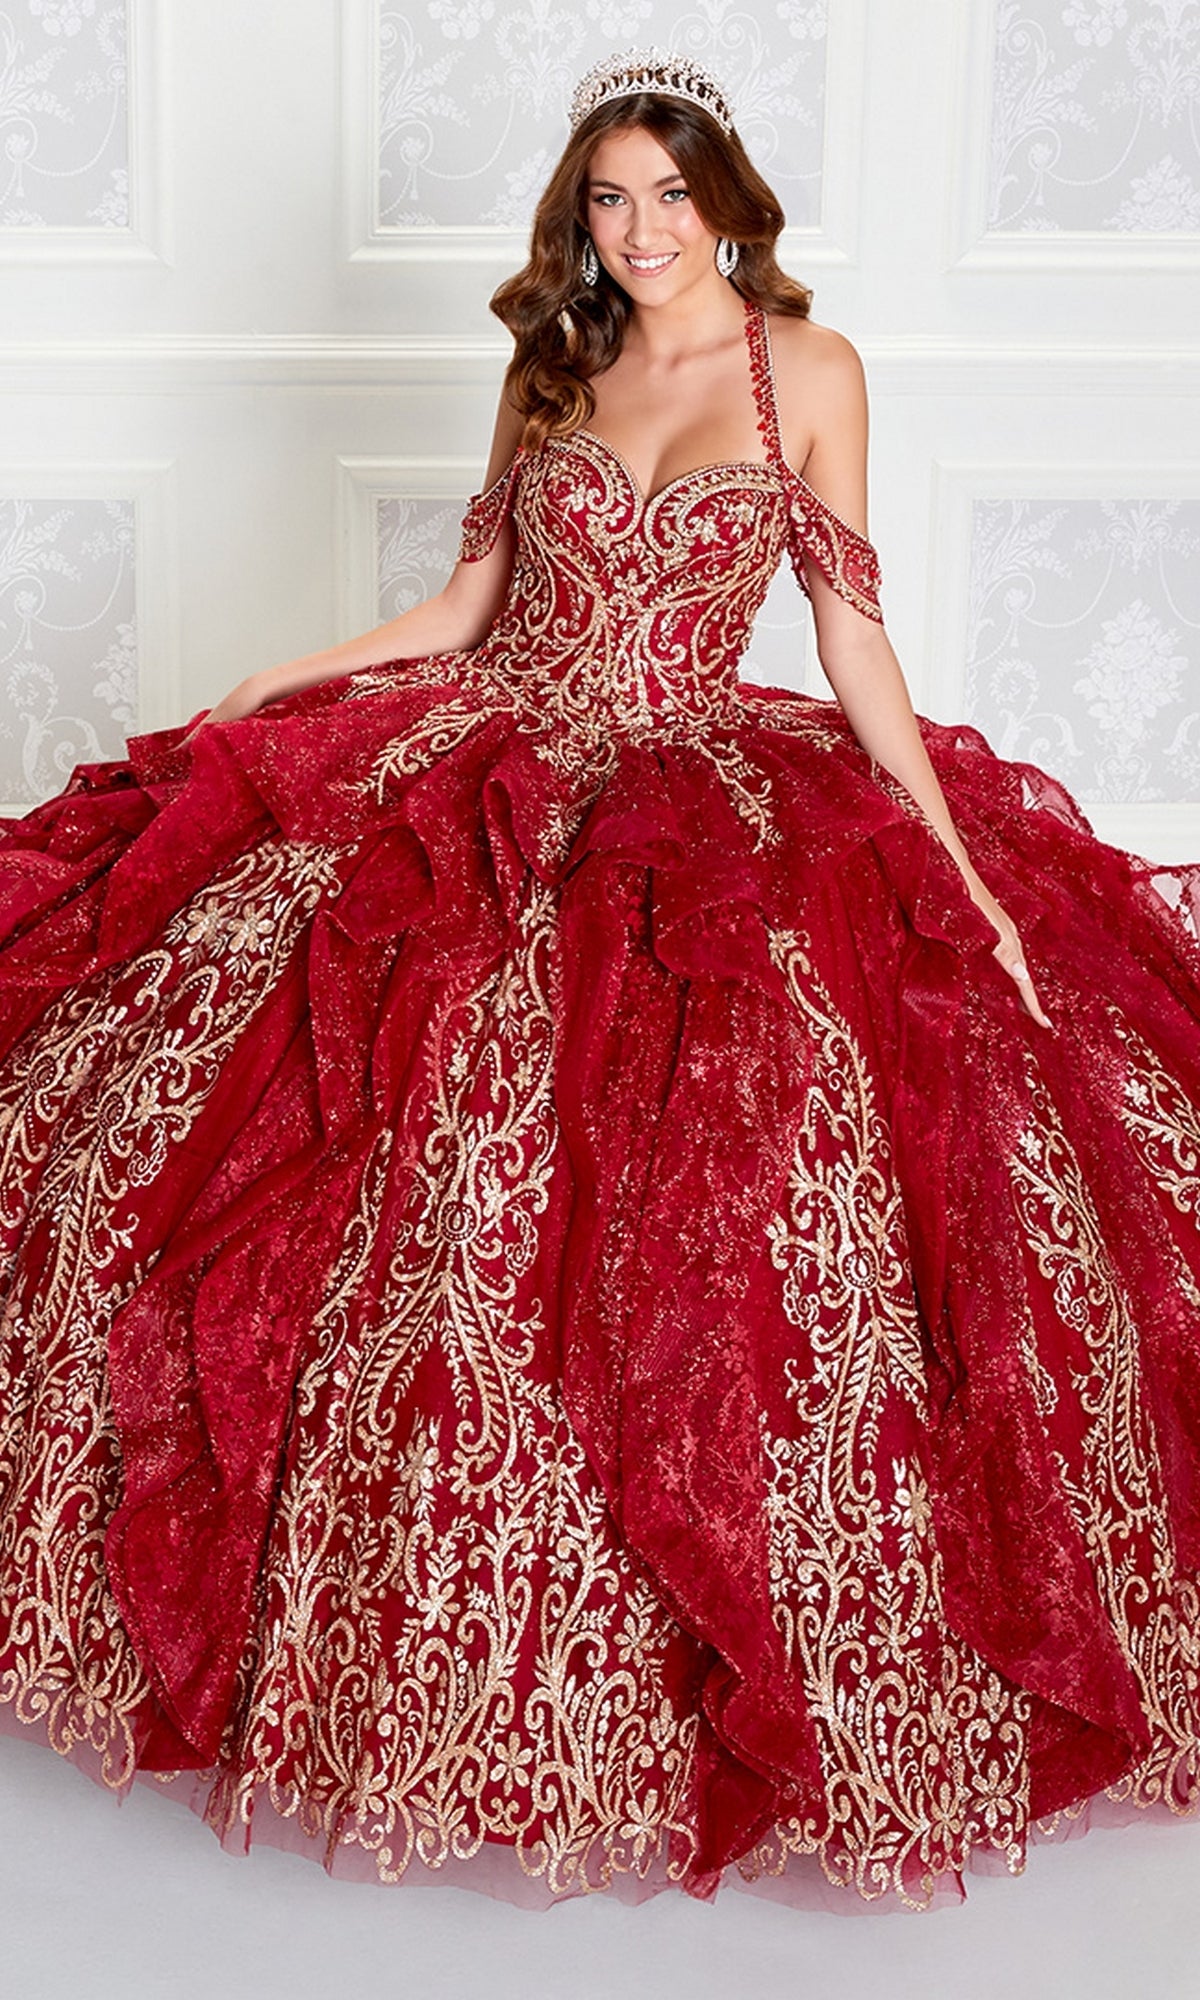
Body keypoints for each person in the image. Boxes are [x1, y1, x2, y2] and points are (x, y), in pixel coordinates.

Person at [0, 48, 1198, 1915]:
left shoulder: (811, 371)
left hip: (703, 797)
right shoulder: (553, 364)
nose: (636, 235)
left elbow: (855, 640)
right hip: (498, 760)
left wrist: (964, 866)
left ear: (727, 201)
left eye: (663, 196)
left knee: (723, 1200)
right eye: (605, 204)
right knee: (358, 1147)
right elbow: (467, 613)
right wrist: (290, 680)